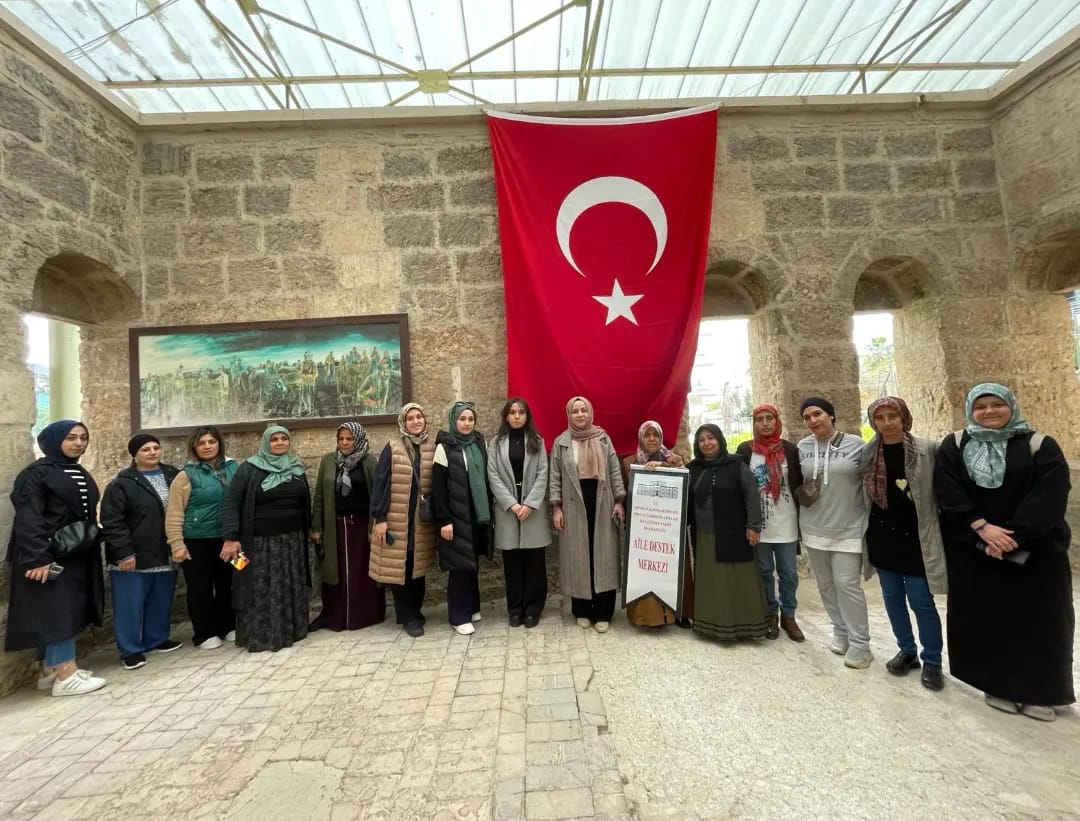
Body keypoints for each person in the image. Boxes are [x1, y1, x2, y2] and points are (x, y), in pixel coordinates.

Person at [933, 383, 1074, 720]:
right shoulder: (956, 445)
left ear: (1011, 406)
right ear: (971, 410)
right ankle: (995, 685)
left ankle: (1042, 690)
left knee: (1040, 619)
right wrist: (982, 527)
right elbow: (948, 490)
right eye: (981, 407)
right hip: (974, 548)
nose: (989, 412)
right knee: (987, 619)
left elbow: (1050, 495)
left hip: (1035, 550)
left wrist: (1014, 537)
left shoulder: (1040, 445)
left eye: (997, 404)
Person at [5, 421, 106, 696]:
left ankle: (51, 670)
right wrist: (38, 559)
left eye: (83, 437)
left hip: (73, 554)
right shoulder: (35, 474)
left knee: (67, 608)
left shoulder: (75, 470)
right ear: (53, 440)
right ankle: (66, 674)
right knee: (56, 611)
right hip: (46, 555)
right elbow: (29, 519)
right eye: (71, 438)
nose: (79, 443)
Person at [862, 397, 946, 690]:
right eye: (880, 418)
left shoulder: (928, 450)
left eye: (892, 416)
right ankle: (907, 650)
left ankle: (933, 660)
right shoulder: (869, 453)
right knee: (892, 597)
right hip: (884, 536)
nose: (887, 423)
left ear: (904, 417)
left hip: (917, 537)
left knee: (922, 600)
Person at [796, 397, 872, 669]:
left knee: (847, 584)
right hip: (814, 527)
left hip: (848, 528)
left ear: (831, 416)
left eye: (817, 414)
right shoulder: (803, 448)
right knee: (826, 584)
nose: (813, 420)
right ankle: (840, 631)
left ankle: (861, 643)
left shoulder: (857, 445)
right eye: (807, 417)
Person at [221, 425, 311, 652]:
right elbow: (232, 503)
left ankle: (292, 629)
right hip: (259, 544)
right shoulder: (249, 469)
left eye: (284, 439)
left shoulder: (296, 468)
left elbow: (304, 502)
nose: (280, 443)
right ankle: (262, 635)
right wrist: (230, 538)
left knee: (289, 583)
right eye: (274, 440)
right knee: (259, 586)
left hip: (292, 541)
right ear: (265, 443)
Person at [101, 434, 183, 670]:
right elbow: (112, 521)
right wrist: (123, 552)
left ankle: (156, 638)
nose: (152, 452)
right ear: (134, 454)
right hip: (133, 553)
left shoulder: (173, 475)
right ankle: (130, 649)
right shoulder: (122, 483)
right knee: (130, 603)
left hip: (165, 549)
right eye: (145, 449)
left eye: (156, 447)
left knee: (160, 597)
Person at [687, 424, 770, 641]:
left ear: (720, 440)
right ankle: (711, 626)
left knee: (737, 580)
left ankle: (746, 626)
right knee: (712, 581)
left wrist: (753, 526)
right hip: (705, 535)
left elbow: (751, 495)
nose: (706, 443)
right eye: (702, 439)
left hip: (733, 533)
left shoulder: (736, 465)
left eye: (711, 438)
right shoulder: (693, 468)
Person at [550, 396, 625, 633]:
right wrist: (556, 507)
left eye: (584, 410)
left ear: (590, 412)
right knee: (578, 555)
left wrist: (620, 501)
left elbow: (614, 470)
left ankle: (603, 611)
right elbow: (555, 477)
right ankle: (581, 609)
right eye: (575, 411)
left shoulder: (603, 438)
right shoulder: (561, 442)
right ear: (569, 415)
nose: (580, 415)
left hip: (602, 501)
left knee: (603, 553)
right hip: (573, 504)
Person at [736, 404, 805, 642]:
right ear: (753, 424)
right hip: (760, 523)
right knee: (764, 571)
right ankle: (770, 615)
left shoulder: (790, 450)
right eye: (759, 419)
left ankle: (789, 615)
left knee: (788, 572)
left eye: (769, 419)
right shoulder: (746, 450)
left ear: (777, 421)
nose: (765, 424)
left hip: (786, 520)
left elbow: (798, 482)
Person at [165, 426, 238, 650]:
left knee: (229, 583)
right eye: (202, 443)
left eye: (211, 442)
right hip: (197, 541)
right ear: (194, 447)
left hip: (228, 538)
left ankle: (228, 625)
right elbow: (175, 511)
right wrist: (176, 543)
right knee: (200, 588)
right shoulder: (186, 475)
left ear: (219, 444)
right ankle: (204, 632)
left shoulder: (234, 468)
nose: (207, 447)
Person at [371, 403, 437, 637]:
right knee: (400, 569)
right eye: (411, 418)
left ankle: (414, 611)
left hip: (421, 521)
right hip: (396, 519)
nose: (416, 421)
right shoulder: (393, 448)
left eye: (420, 417)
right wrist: (379, 517)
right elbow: (381, 482)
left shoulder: (431, 446)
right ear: (403, 422)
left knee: (417, 568)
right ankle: (408, 616)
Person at [311, 421, 384, 631]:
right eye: (341, 439)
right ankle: (335, 616)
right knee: (336, 571)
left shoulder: (369, 462)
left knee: (361, 571)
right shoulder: (328, 462)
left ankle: (364, 615)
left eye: (349, 439)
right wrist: (317, 527)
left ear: (358, 440)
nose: (344, 443)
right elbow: (319, 497)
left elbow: (378, 496)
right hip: (335, 527)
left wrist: (376, 524)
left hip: (361, 527)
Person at [621, 420, 691, 628]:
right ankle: (646, 615)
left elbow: (686, 484)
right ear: (641, 438)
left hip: (670, 527)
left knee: (675, 567)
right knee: (647, 568)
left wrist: (665, 466)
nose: (651, 439)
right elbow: (626, 494)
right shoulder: (629, 462)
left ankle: (680, 612)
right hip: (645, 527)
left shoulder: (674, 459)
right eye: (647, 435)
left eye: (655, 435)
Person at [487, 398, 550, 628]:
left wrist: (530, 504)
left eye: (521, 412)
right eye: (512, 412)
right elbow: (492, 475)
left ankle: (533, 609)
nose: (516, 416)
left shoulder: (537, 441)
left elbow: (543, 473)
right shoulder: (495, 443)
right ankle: (515, 609)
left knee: (535, 563)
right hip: (508, 510)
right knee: (512, 564)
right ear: (506, 416)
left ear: (527, 416)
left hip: (532, 509)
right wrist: (512, 504)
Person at [432, 401, 492, 635]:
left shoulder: (479, 442)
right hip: (455, 515)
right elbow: (438, 487)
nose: (467, 423)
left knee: (472, 561)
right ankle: (458, 615)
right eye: (462, 419)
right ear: (454, 421)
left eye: (470, 419)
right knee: (459, 565)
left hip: (477, 512)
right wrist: (444, 520)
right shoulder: (444, 447)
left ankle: (472, 606)